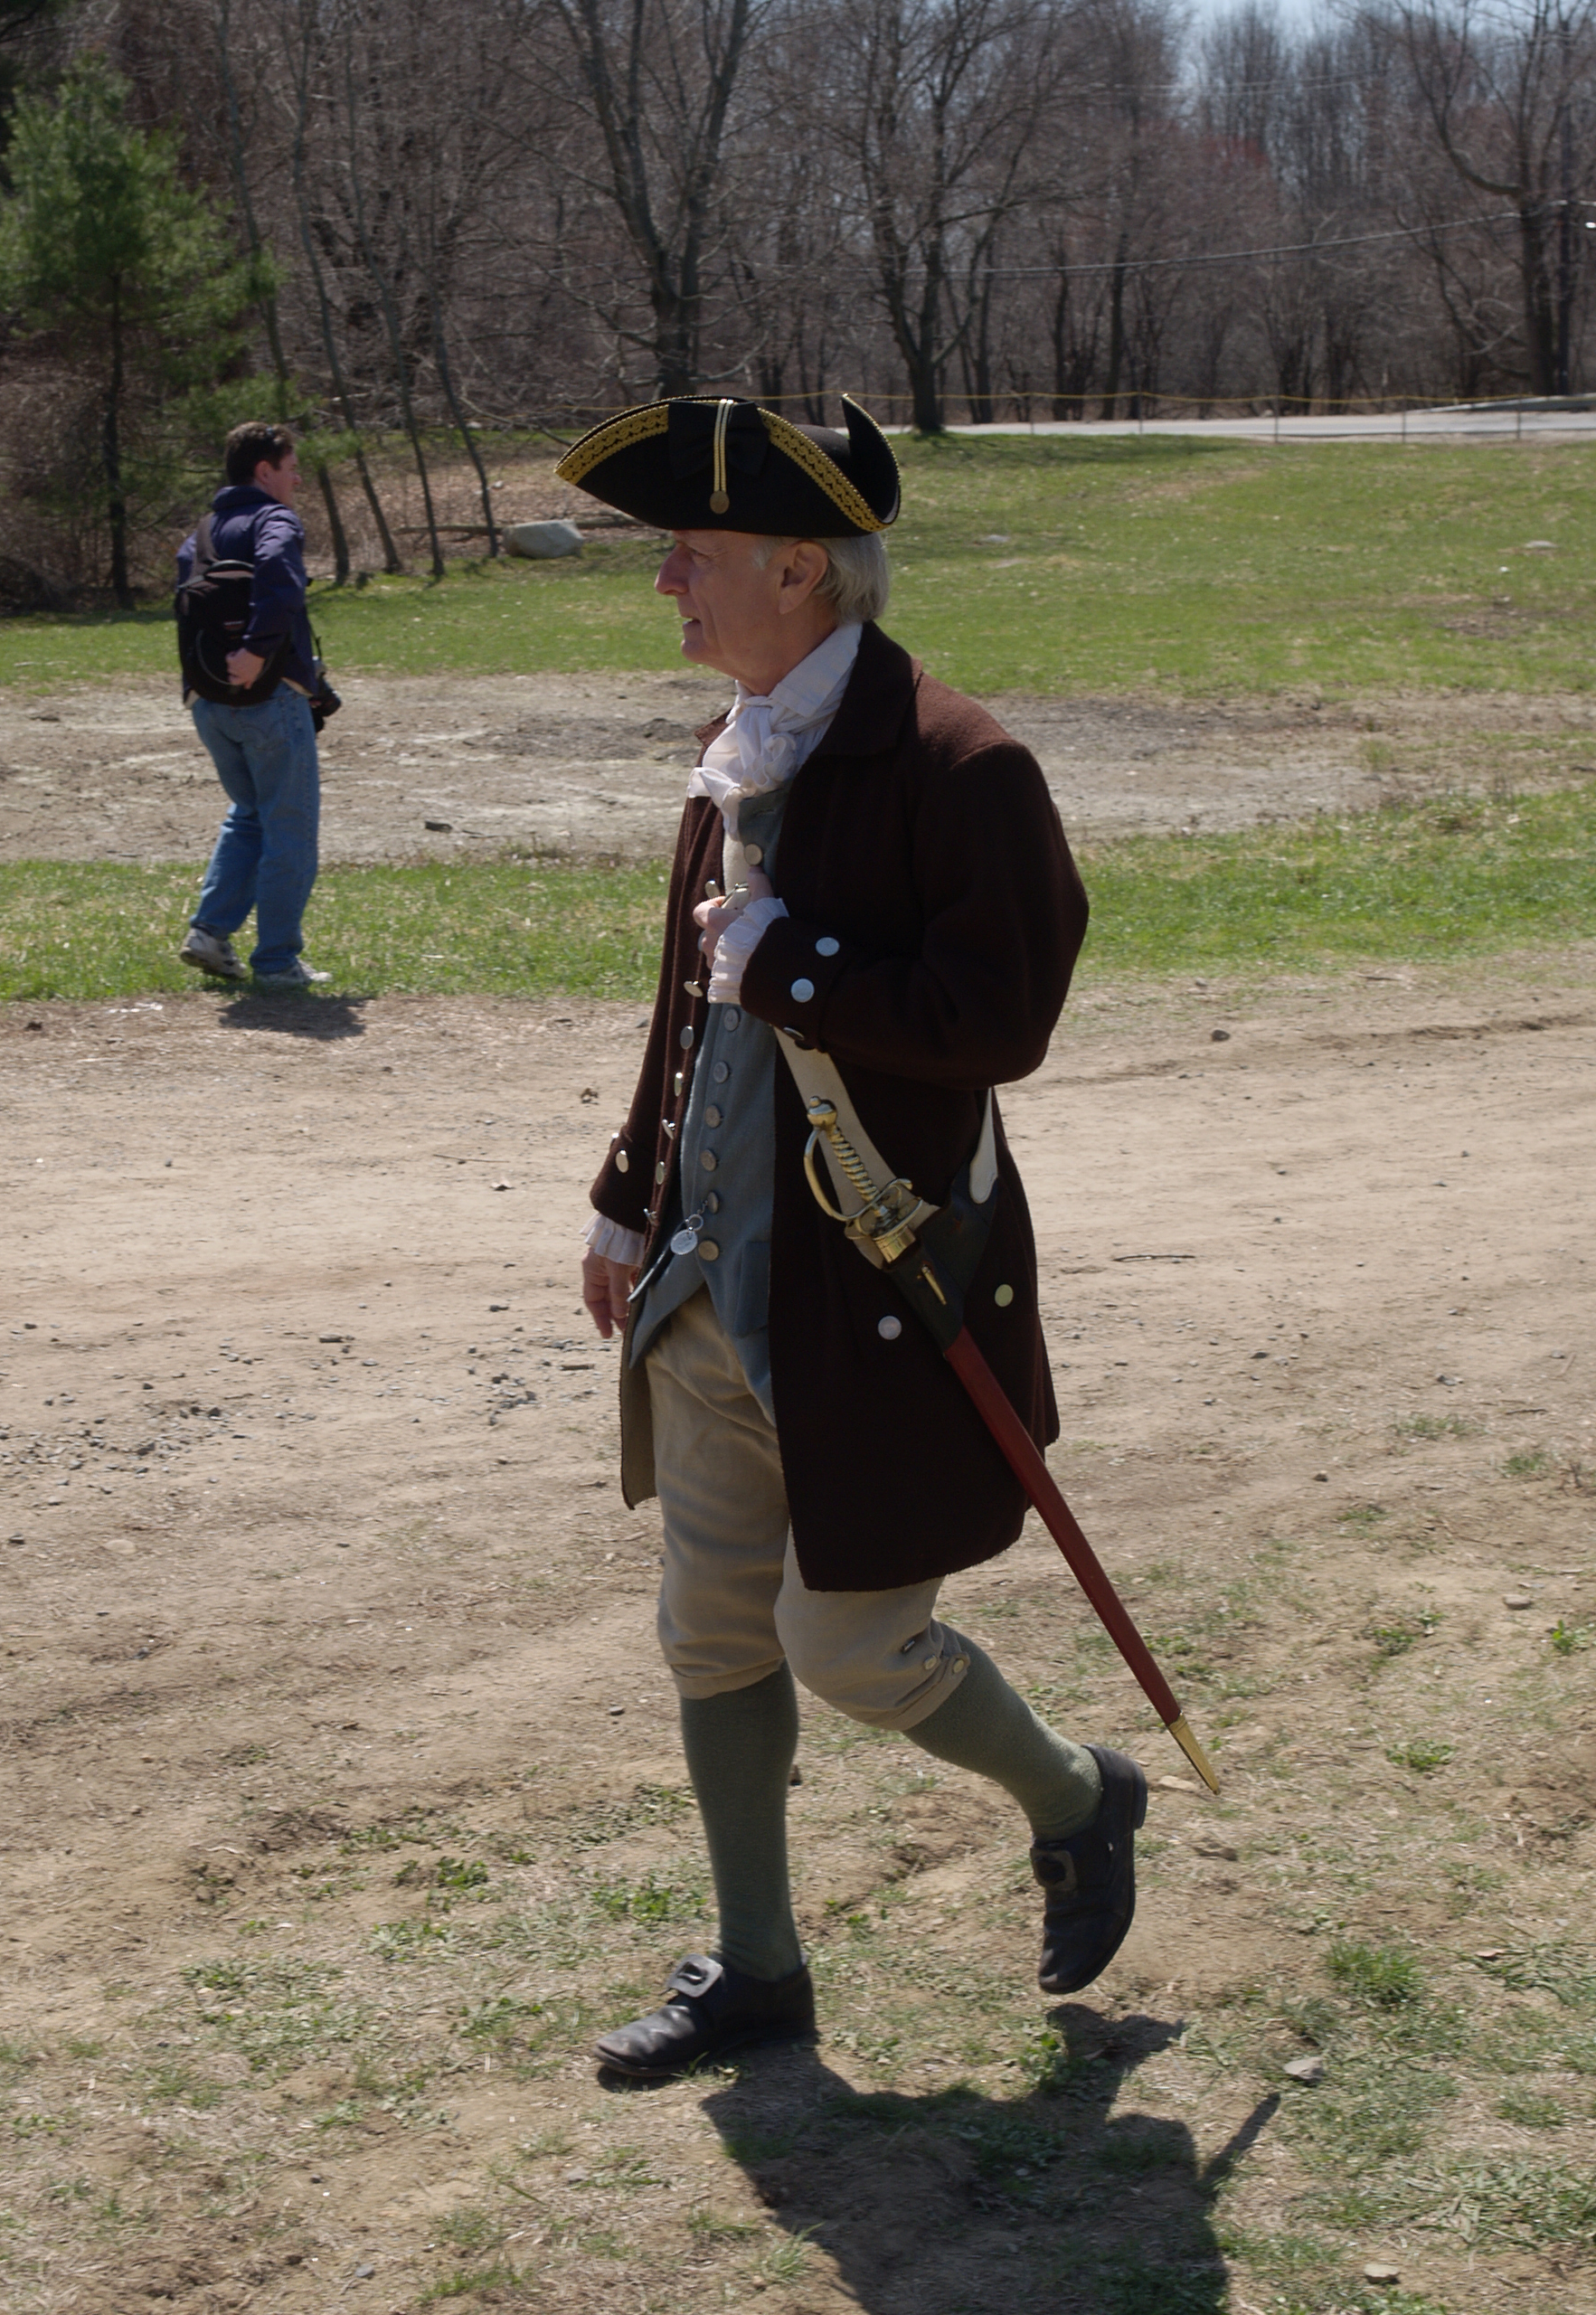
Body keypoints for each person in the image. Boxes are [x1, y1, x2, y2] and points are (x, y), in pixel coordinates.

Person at [560, 394, 1148, 2080]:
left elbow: (1000, 1017)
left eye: (694, 552)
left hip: (867, 1294)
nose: (665, 581)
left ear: (801, 568)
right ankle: (757, 1966)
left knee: (854, 1645)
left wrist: (797, 966)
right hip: (705, 1282)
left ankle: (1076, 1795)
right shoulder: (738, 744)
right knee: (712, 1631)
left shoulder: (965, 767)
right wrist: (627, 1190)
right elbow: (691, 1005)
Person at [175, 420, 331, 992]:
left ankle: (210, 934)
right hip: (269, 699)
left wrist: (224, 667)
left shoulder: (202, 532)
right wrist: (258, 651)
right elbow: (281, 583)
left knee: (250, 815)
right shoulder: (275, 520)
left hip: (208, 701)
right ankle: (277, 962)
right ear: (264, 471)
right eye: (291, 468)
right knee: (290, 827)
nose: (297, 480)